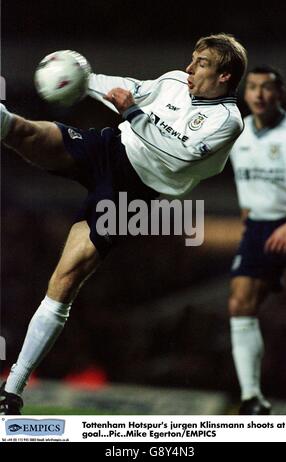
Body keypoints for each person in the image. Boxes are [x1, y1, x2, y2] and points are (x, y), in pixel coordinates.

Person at [0, 33, 247, 415]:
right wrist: (85, 79)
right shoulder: (172, 83)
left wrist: (132, 112)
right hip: (108, 147)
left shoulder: (227, 122)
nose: (189, 68)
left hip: (132, 194)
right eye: (192, 59)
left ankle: (11, 391)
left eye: (200, 63)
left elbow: (180, 157)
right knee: (24, 131)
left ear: (225, 76)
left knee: (64, 279)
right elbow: (127, 89)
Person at [229, 66, 286, 415]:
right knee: (240, 304)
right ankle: (252, 398)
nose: (258, 94)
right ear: (245, 94)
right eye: (253, 87)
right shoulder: (237, 133)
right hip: (258, 228)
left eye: (267, 88)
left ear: (280, 94)